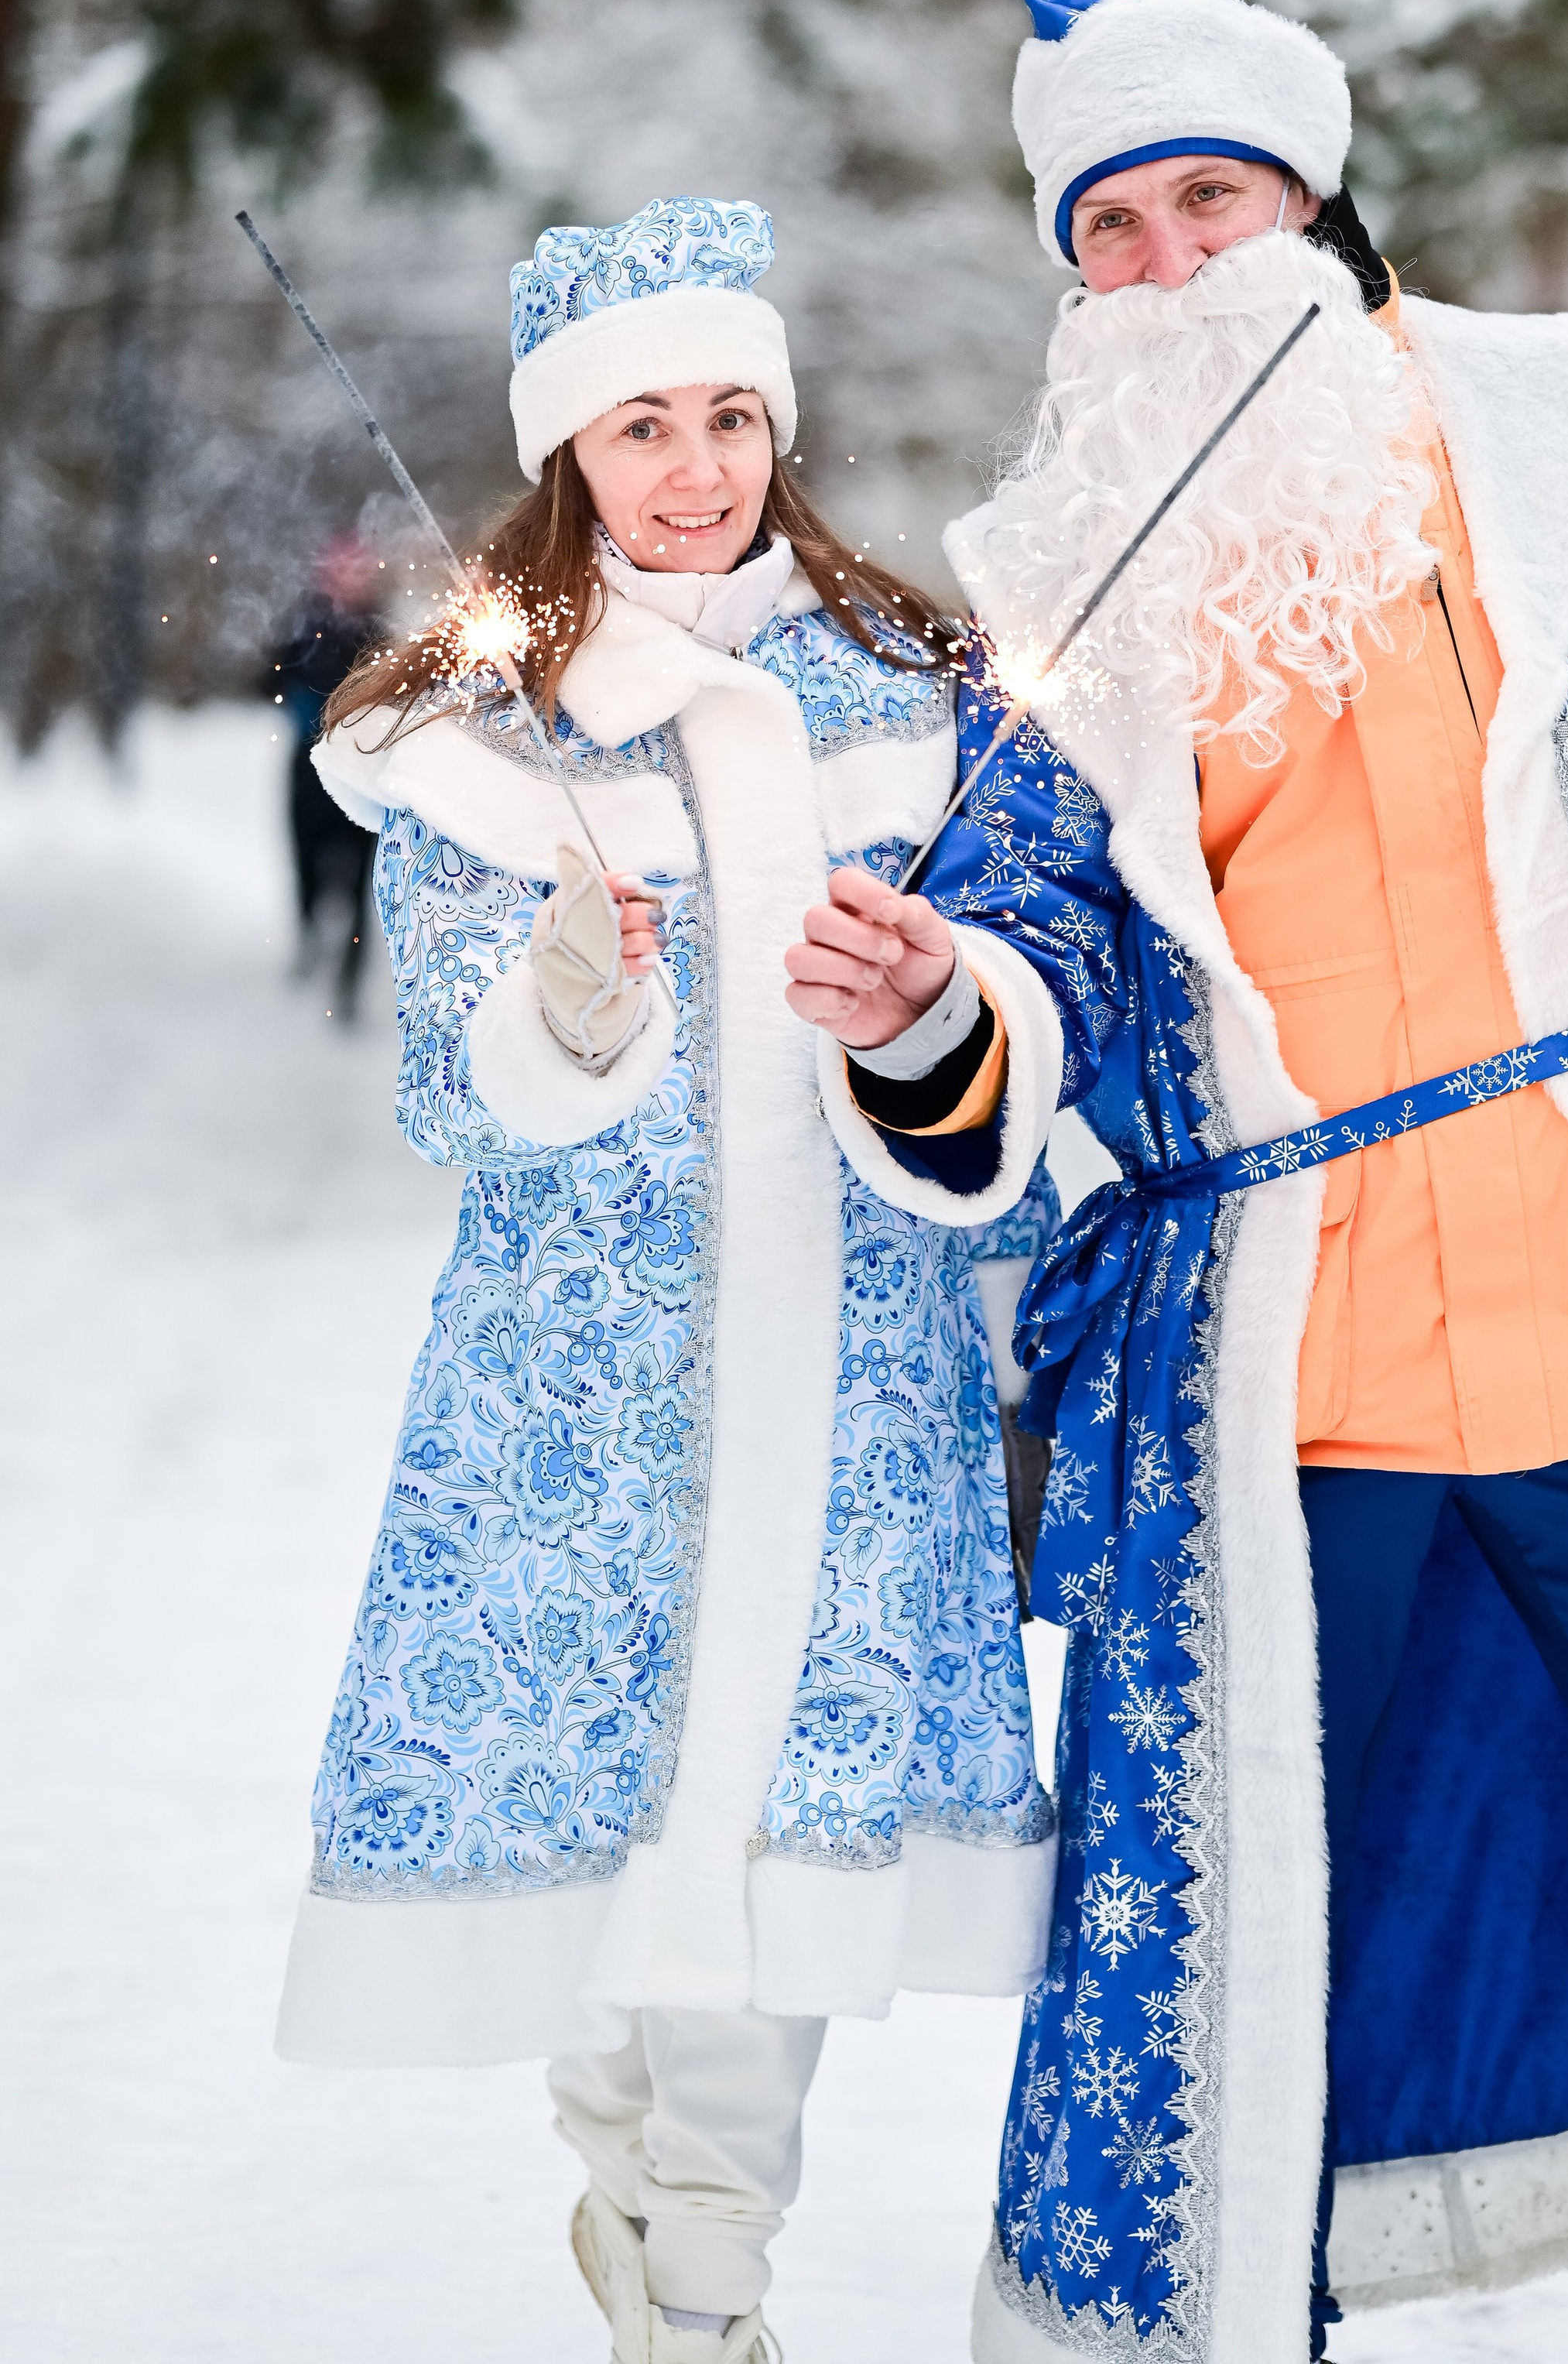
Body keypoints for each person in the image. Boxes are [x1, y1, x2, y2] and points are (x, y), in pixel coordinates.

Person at [783, 0, 1568, 2364]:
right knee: (1234, 1947)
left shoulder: (1565, 415)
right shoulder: (1068, 571)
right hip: (1276, 1380)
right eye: (1104, 226)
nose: (1158, 258)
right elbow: (1036, 954)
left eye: (1202, 197)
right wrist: (932, 1001)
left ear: (1312, 197)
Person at [276, 197, 1056, 2364]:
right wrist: (565, 1007)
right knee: (605, 1862)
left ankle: (711, 2285)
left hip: (854, 1371)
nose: (697, 467)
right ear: (568, 457)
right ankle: (633, 2205)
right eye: (643, 427)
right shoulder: (479, 721)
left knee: (782, 1847)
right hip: (579, 1388)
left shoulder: (911, 693)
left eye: (731, 415)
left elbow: (1009, 1025)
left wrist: (930, 1006)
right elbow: (458, 1094)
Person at [265, 528, 388, 1013]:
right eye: (342, 571)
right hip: (307, 767)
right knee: (307, 863)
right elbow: (268, 678)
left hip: (361, 768)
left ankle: (351, 980)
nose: (349, 581)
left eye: (358, 571)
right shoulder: (303, 628)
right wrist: (292, 698)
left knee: (362, 878)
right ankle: (310, 937)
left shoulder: (379, 634)